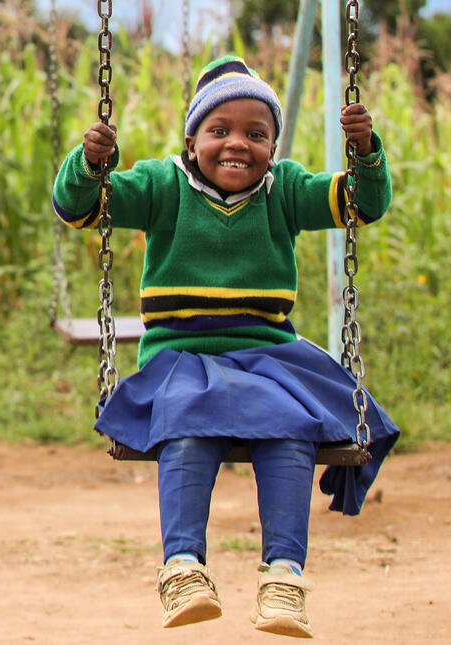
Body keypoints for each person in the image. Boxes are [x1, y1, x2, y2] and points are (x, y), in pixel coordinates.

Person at [53, 57, 400, 638]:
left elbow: (363, 203)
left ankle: (284, 576)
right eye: (220, 131)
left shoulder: (285, 189)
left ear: (272, 146)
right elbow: (80, 207)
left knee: (292, 425)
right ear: (192, 142)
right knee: (186, 424)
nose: (237, 144)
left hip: (269, 356)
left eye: (256, 134)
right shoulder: (162, 186)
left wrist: (366, 151)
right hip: (180, 356)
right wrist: (89, 163)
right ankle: (183, 568)